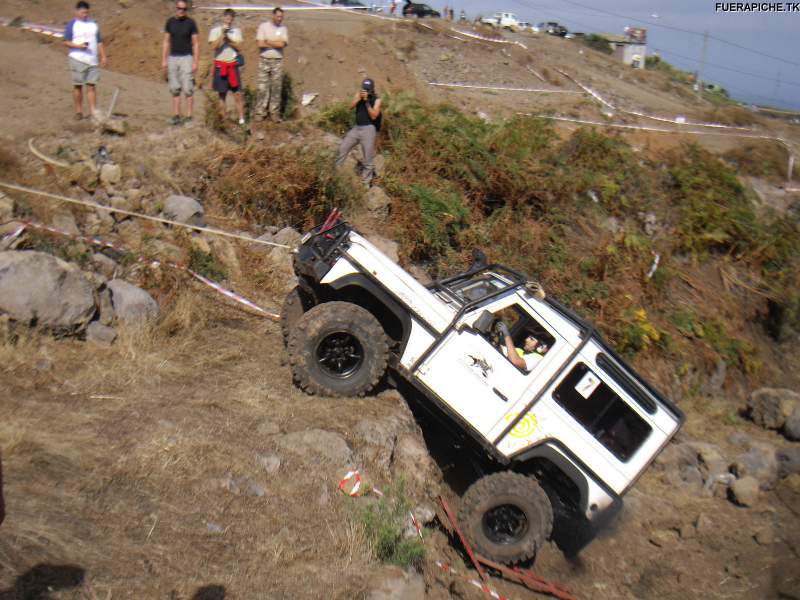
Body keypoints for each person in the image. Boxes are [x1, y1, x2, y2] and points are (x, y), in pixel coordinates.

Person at [63, 1, 107, 121]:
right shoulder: (72, 24)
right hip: (77, 58)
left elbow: (99, 41)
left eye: (87, 12)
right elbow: (65, 41)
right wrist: (78, 46)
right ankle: (78, 111)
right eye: (83, 12)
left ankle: (93, 111)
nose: (85, 15)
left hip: (92, 60)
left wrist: (103, 56)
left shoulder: (93, 24)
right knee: (78, 86)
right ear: (77, 12)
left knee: (92, 86)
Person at [335, 78, 382, 186]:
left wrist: (366, 102)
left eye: (368, 89)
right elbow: (350, 106)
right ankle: (336, 173)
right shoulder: (359, 95)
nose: (366, 90)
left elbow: (374, 115)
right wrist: (359, 98)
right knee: (343, 147)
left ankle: (365, 183)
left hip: (369, 129)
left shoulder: (377, 100)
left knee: (368, 157)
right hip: (357, 128)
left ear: (372, 89)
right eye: (364, 88)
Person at [162, 0, 199, 125]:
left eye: (184, 9)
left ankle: (189, 116)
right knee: (174, 87)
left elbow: (195, 43)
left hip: (187, 58)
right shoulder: (170, 22)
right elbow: (166, 41)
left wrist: (195, 61)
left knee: (188, 88)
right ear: (176, 8)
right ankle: (176, 115)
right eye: (179, 8)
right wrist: (164, 59)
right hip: (173, 57)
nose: (181, 11)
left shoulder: (191, 23)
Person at [208, 8, 245, 125]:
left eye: (231, 17)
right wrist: (222, 36)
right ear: (223, 17)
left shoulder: (236, 31)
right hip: (221, 65)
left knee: (237, 93)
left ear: (233, 19)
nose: (229, 19)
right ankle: (223, 119)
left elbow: (239, 47)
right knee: (222, 94)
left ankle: (242, 119)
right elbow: (214, 46)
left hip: (232, 65)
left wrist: (228, 39)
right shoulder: (215, 31)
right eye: (227, 16)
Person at [255, 7, 289, 123]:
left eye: (281, 17)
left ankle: (274, 113)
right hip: (264, 60)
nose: (280, 19)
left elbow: (282, 44)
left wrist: (268, 41)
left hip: (277, 61)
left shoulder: (283, 29)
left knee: (276, 88)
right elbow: (260, 43)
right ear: (273, 16)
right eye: (278, 16)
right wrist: (275, 42)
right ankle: (260, 112)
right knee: (262, 88)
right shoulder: (263, 27)